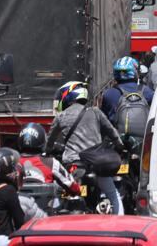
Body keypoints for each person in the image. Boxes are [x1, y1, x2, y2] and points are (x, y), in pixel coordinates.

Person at [47, 81, 126, 215]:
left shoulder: (61, 116)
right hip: (97, 164)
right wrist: (120, 146)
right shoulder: (96, 112)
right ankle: (121, 223)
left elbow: (50, 141)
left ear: (68, 96)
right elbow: (112, 132)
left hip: (74, 165)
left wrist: (47, 151)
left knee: (59, 194)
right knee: (113, 194)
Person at [16, 123, 79, 197]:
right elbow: (73, 187)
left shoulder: (12, 162)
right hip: (45, 207)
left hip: (17, 207)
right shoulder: (51, 162)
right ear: (42, 140)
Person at [100, 56, 153, 138]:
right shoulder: (147, 92)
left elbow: (103, 121)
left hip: (117, 140)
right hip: (142, 140)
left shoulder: (108, 94)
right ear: (135, 72)